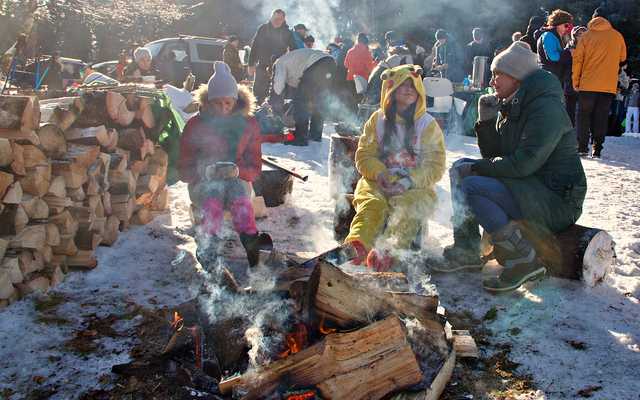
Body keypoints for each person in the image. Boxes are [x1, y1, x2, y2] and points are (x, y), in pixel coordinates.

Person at [435, 42, 587, 292]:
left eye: (498, 74)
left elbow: (524, 163)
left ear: (516, 77)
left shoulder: (545, 108)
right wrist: (486, 122)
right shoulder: (515, 102)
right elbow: (497, 156)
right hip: (529, 186)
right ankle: (465, 249)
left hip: (556, 198)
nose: (492, 80)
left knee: (472, 184)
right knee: (459, 167)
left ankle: (523, 260)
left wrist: (479, 169)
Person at [344, 64, 446, 272]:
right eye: (402, 85)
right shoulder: (378, 119)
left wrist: (408, 181)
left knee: (407, 206)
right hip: (378, 180)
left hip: (416, 186)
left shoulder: (427, 124)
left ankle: (388, 253)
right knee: (372, 205)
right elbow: (364, 154)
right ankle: (356, 248)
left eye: (413, 85)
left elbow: (435, 166)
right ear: (391, 88)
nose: (409, 89)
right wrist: (380, 173)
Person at [179, 62, 265, 268]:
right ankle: (209, 246)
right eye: (217, 103)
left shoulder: (248, 124)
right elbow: (182, 168)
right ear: (208, 101)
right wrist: (204, 171)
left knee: (235, 189)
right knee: (214, 192)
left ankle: (251, 241)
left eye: (228, 103)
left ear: (236, 100)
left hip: (239, 182)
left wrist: (238, 171)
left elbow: (255, 167)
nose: (223, 109)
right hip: (202, 183)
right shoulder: (195, 124)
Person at [573, 7, 627, 158]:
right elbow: (623, 58)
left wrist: (575, 81)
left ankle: (582, 148)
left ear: (593, 19)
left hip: (587, 84)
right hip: (608, 86)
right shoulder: (617, 36)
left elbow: (577, 61)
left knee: (584, 115)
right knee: (601, 117)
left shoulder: (586, 37)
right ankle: (597, 149)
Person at [270, 48, 336, 145]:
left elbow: (278, 86)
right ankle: (315, 134)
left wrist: (273, 100)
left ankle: (300, 137)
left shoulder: (279, 63)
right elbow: (300, 84)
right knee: (319, 101)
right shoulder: (291, 61)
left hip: (316, 64)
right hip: (330, 63)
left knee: (301, 101)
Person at [248, 9, 295, 103]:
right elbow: (255, 46)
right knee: (258, 94)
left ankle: (273, 115)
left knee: (276, 95)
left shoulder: (287, 32)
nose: (277, 21)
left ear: (283, 20)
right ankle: (256, 115)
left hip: (279, 68)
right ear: (271, 17)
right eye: (275, 18)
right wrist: (250, 64)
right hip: (262, 65)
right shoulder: (263, 29)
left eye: (280, 19)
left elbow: (293, 50)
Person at [536, 9, 573, 82]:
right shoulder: (549, 36)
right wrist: (569, 52)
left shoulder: (556, 36)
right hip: (549, 79)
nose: (568, 28)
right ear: (558, 24)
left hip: (553, 77)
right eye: (566, 25)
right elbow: (553, 57)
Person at [564, 26, 587, 125]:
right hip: (570, 84)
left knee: (584, 111)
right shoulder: (568, 50)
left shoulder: (590, 49)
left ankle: (582, 134)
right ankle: (570, 132)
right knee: (570, 111)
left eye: (584, 34)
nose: (582, 37)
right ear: (574, 36)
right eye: (579, 34)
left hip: (585, 84)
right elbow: (564, 66)